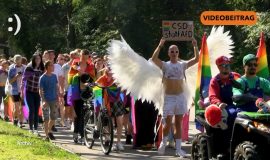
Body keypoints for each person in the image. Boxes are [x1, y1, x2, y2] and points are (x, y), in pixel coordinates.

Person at [151, 37, 199, 157]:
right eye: (172, 51)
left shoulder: (182, 65)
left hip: (180, 97)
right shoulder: (165, 65)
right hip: (169, 98)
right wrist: (160, 45)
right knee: (167, 123)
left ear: (178, 53)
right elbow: (153, 59)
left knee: (178, 123)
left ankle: (178, 149)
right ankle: (163, 142)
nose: (174, 53)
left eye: (176, 51)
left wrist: (195, 45)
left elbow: (197, 59)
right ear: (168, 53)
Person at [207, 56, 241, 158]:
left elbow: (245, 86)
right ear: (218, 67)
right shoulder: (215, 81)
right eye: (223, 65)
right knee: (232, 115)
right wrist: (218, 103)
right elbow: (212, 96)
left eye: (228, 65)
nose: (226, 67)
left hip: (239, 103)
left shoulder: (236, 76)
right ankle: (227, 147)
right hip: (224, 105)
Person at [96, 67, 127, 151]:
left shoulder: (118, 77)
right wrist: (98, 86)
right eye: (108, 68)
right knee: (110, 123)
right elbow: (96, 84)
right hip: (107, 102)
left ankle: (119, 142)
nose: (110, 70)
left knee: (120, 122)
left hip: (117, 101)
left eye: (111, 68)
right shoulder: (103, 77)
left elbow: (124, 87)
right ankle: (111, 141)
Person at [68, 49, 95, 143]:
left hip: (86, 92)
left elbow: (92, 78)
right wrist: (78, 73)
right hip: (76, 91)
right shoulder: (75, 63)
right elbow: (70, 76)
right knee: (77, 114)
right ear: (80, 55)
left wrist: (85, 75)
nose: (83, 57)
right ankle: (76, 133)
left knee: (84, 114)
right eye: (82, 55)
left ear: (88, 56)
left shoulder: (90, 65)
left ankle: (83, 135)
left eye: (86, 55)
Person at [21, 53, 44, 135]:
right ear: (33, 60)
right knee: (32, 110)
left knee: (37, 110)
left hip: (37, 93)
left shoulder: (42, 69)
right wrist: (22, 92)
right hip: (29, 91)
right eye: (36, 59)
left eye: (39, 59)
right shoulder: (29, 68)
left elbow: (43, 80)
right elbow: (23, 80)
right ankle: (31, 128)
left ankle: (36, 129)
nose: (38, 60)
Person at [39, 61, 59, 141]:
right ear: (47, 67)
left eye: (53, 66)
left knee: (53, 118)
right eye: (51, 66)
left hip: (54, 99)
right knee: (46, 119)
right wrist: (43, 100)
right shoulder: (42, 78)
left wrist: (58, 98)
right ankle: (47, 136)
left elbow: (56, 88)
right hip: (46, 100)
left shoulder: (54, 76)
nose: (53, 67)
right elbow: (40, 90)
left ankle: (49, 131)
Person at [8, 55, 26, 127]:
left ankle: (20, 122)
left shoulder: (25, 68)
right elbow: (10, 81)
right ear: (14, 61)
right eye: (16, 60)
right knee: (16, 107)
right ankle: (15, 119)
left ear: (21, 60)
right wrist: (16, 76)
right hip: (15, 90)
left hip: (23, 90)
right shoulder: (11, 69)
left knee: (21, 107)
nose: (18, 61)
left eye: (19, 59)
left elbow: (28, 78)